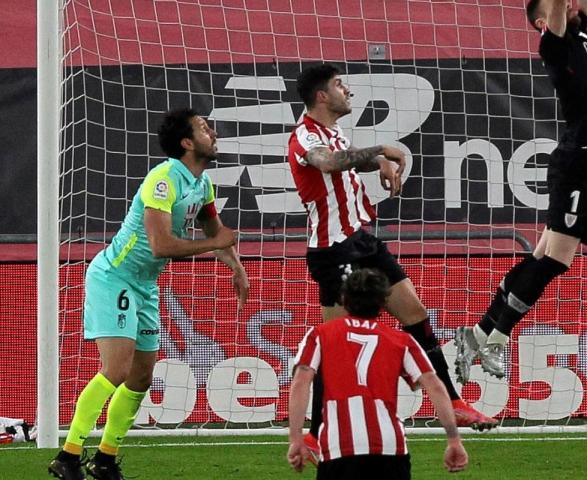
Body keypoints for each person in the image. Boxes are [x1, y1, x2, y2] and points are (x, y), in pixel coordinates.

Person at [453, 0, 587, 383]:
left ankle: (478, 334)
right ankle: (494, 338)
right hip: (580, 158)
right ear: (541, 19)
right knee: (554, 256)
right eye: (557, 4)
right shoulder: (554, 43)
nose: (569, 2)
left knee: (552, 256)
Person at [287, 64, 496, 450]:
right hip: (333, 251)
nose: (346, 91)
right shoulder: (304, 136)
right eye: (338, 85)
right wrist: (383, 149)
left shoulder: (333, 133)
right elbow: (328, 163)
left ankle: (452, 402)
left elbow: (345, 158)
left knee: (416, 314)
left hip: (363, 240)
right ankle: (315, 434)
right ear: (320, 96)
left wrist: (377, 163)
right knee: (335, 344)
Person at [48, 109, 248, 480]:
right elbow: (160, 245)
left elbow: (216, 231)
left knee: (140, 378)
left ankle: (105, 460)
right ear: (187, 143)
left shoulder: (202, 186)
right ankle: (68, 454)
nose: (213, 133)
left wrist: (235, 266)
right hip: (115, 277)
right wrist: (213, 244)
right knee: (117, 369)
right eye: (204, 128)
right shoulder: (163, 179)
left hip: (145, 285)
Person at [287, 268, 468, 478]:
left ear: (344, 298)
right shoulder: (401, 340)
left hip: (339, 447)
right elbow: (434, 385)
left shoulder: (320, 335)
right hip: (390, 448)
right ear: (383, 304)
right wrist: (453, 439)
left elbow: (301, 382)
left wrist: (296, 438)